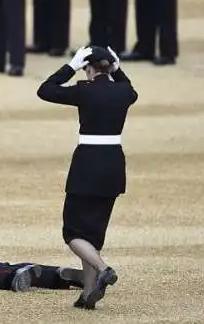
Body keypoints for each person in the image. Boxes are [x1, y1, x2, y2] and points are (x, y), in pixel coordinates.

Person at [36, 45, 138, 309]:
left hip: (88, 163)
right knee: (92, 234)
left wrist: (71, 66)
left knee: (72, 232)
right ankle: (88, 295)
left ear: (88, 68)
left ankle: (103, 269)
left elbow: (45, 90)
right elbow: (130, 89)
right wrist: (118, 68)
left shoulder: (85, 89)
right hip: (114, 164)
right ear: (111, 67)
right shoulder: (123, 91)